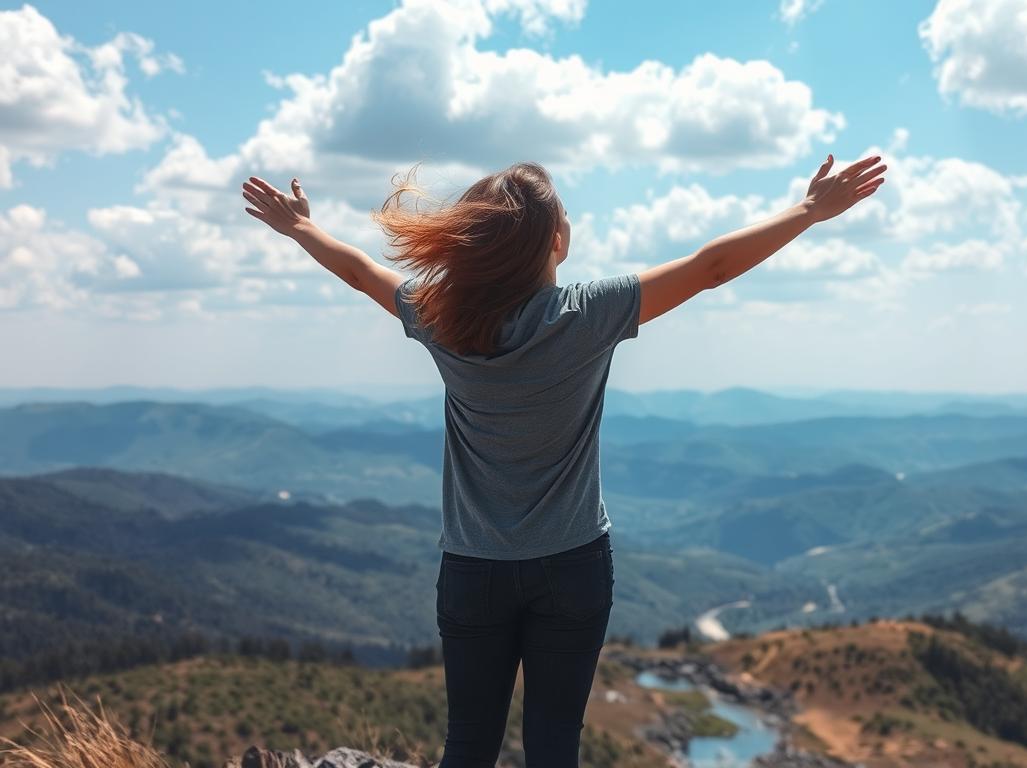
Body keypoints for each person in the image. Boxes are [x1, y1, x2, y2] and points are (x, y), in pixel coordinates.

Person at [239, 151, 886, 767]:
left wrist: (301, 229)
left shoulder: (438, 316)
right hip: (574, 567)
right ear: (553, 243)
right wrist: (806, 212)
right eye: (565, 218)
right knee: (554, 753)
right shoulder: (587, 314)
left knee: (467, 752)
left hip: (473, 570)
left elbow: (359, 272)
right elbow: (709, 267)